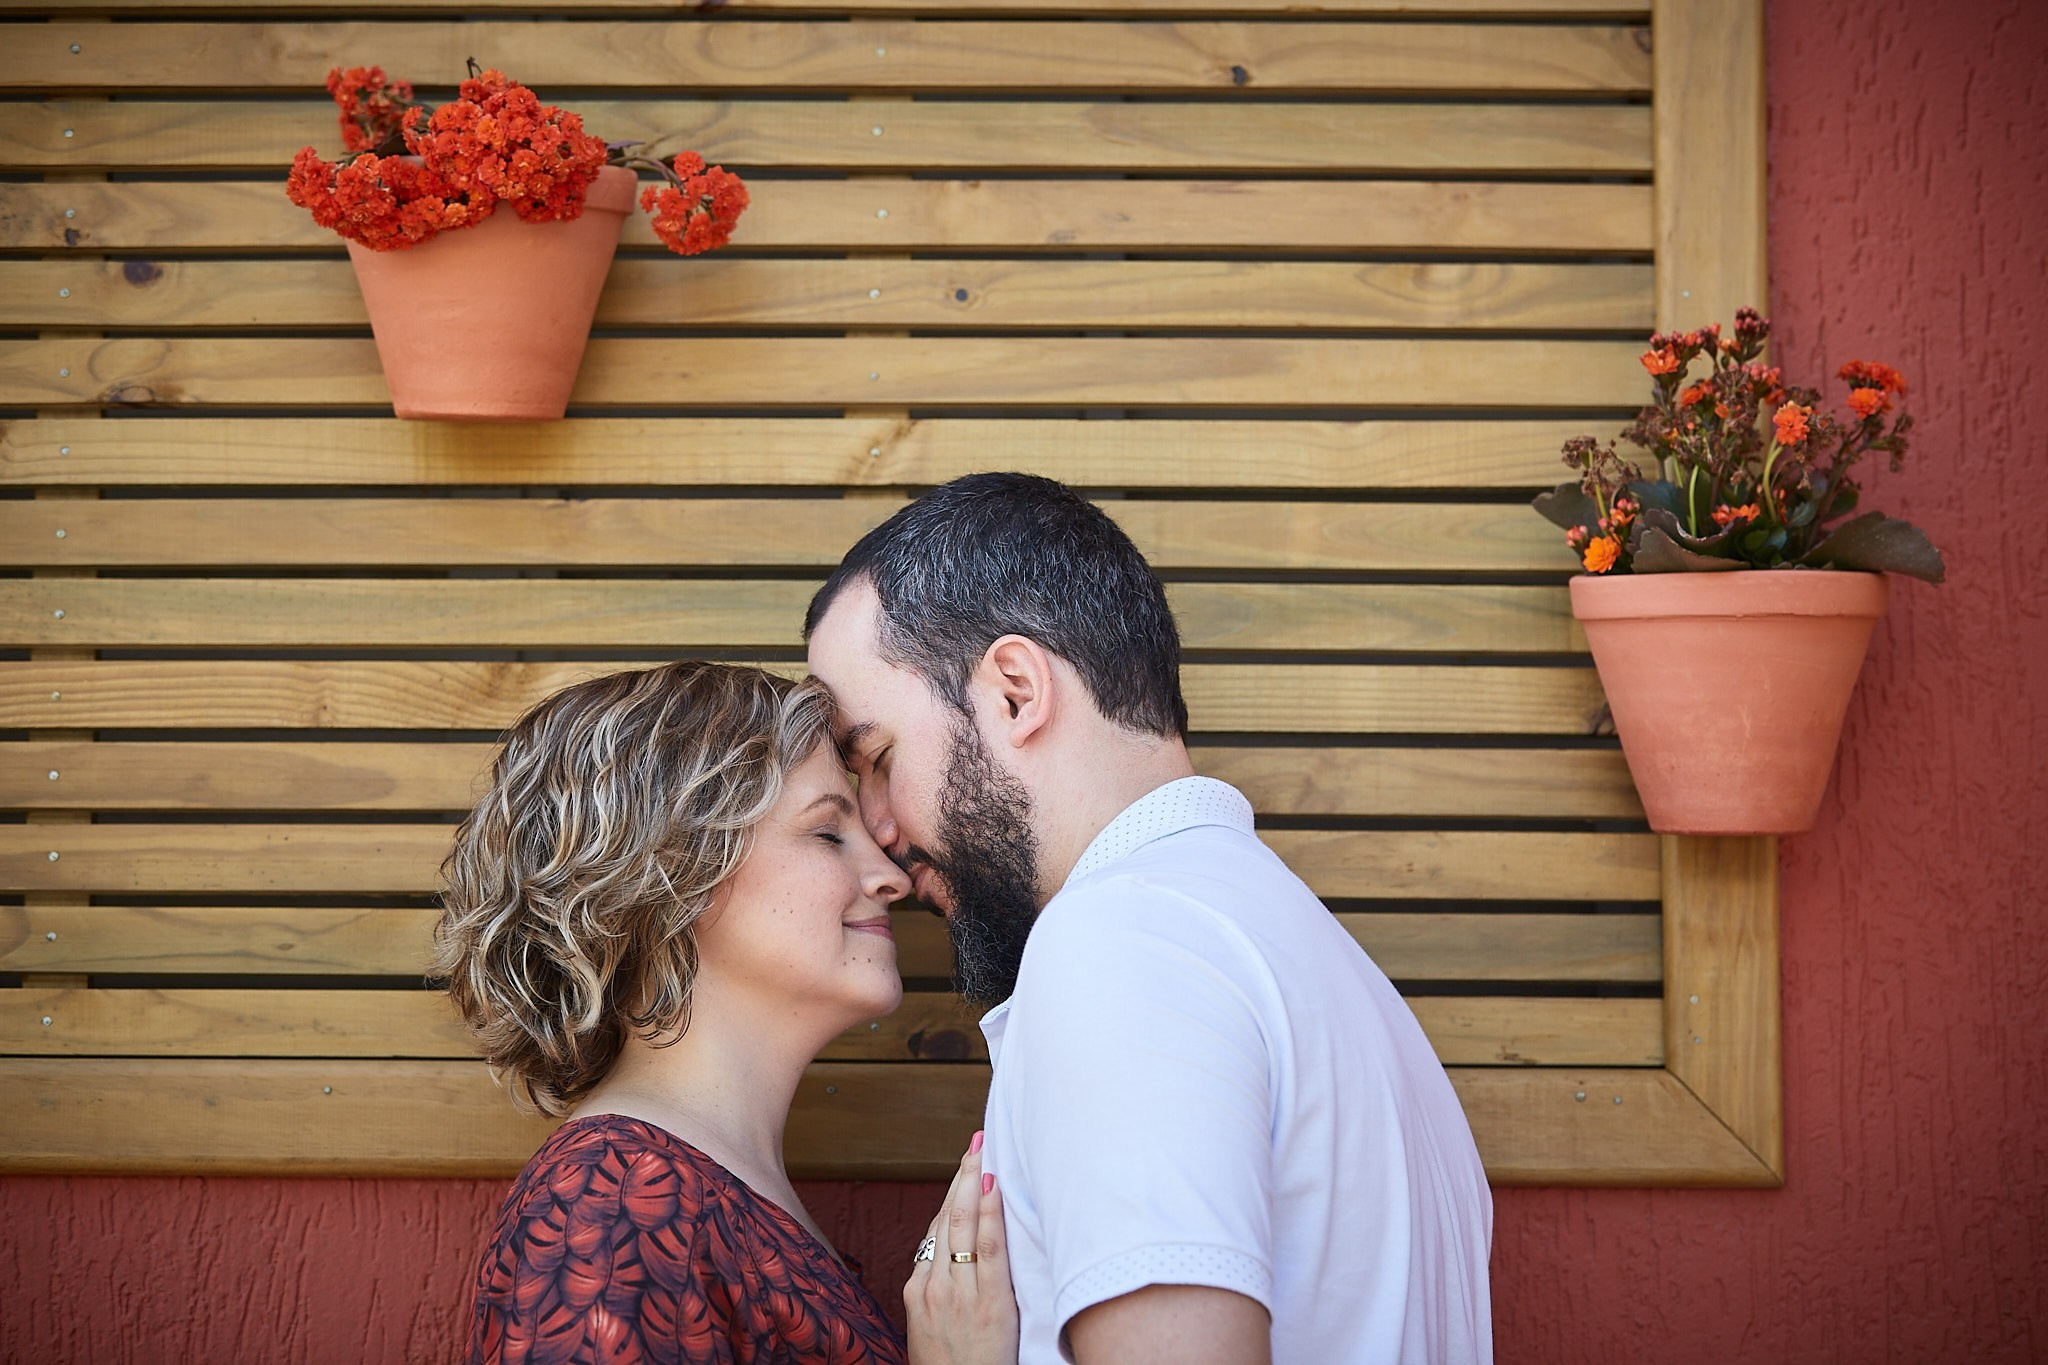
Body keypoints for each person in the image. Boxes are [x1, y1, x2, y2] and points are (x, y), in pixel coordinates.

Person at [804, 473, 1494, 1364]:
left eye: (879, 758)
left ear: (1015, 689)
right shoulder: (1319, 963)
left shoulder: (1121, 944)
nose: (881, 830)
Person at [435, 661, 1018, 1365]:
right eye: (828, 833)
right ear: (672, 873)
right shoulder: (612, 1203)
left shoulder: (685, 1186)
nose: (889, 876)